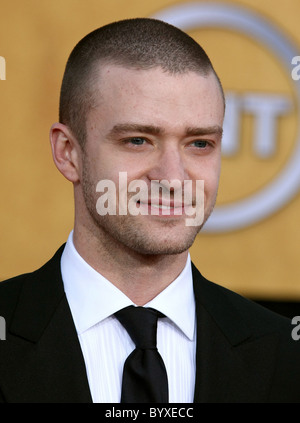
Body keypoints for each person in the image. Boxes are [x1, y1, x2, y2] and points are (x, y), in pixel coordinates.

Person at [0, 18, 299, 404]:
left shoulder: (286, 357)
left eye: (200, 144)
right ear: (68, 153)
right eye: (138, 140)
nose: (173, 178)